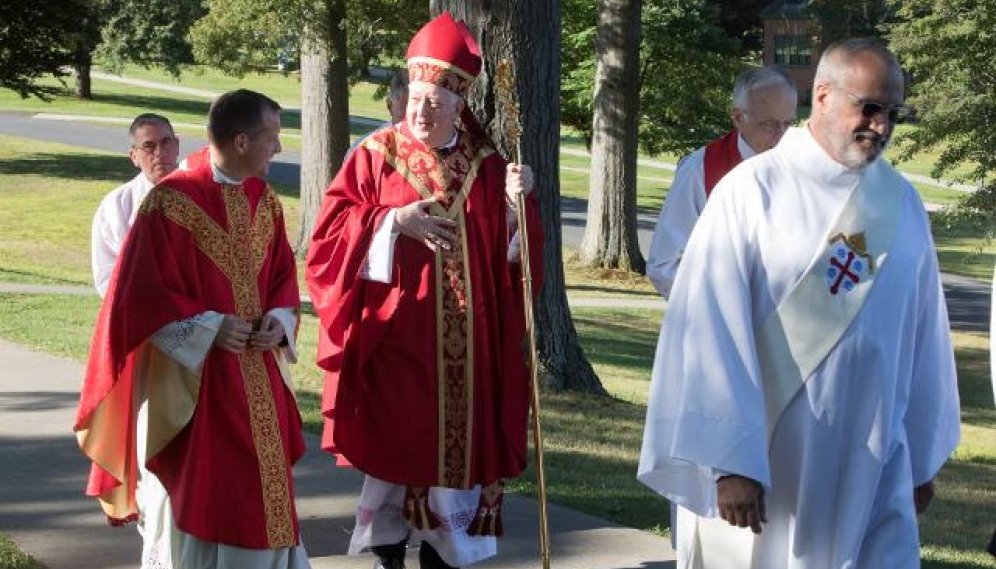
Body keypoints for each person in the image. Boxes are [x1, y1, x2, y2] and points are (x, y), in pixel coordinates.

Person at [637, 38, 961, 568]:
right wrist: (729, 463)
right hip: (770, 466)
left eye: (892, 113)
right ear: (824, 96)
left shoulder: (899, 202)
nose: (881, 126)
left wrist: (923, 456)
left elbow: (925, 332)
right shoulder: (750, 192)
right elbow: (711, 330)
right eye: (869, 108)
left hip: (876, 461)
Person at [305, 12, 543, 569]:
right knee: (395, 458)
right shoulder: (375, 155)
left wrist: (518, 206)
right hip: (396, 339)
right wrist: (390, 222)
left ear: (460, 104)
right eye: (416, 97)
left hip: (471, 345)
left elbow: (517, 258)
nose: (422, 110)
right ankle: (390, 560)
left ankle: (444, 560)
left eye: (436, 100)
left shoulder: (487, 167)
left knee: (454, 474)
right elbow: (327, 239)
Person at [75, 89, 311, 569]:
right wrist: (210, 327)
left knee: (263, 492)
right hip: (195, 385)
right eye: (273, 138)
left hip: (258, 374)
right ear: (242, 141)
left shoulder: (265, 200)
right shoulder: (169, 204)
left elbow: (284, 276)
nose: (279, 150)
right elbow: (136, 297)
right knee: (204, 491)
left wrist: (279, 322)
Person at [646, 66, 797, 299]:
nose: (781, 136)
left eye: (788, 123)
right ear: (738, 117)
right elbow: (664, 266)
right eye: (768, 124)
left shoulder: (803, 168)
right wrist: (726, 308)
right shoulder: (700, 171)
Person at [91, 113, 179, 297]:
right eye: (149, 146)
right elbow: (106, 276)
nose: (159, 153)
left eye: (166, 142)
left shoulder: (202, 194)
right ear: (134, 156)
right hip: (140, 313)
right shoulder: (115, 206)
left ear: (177, 146)